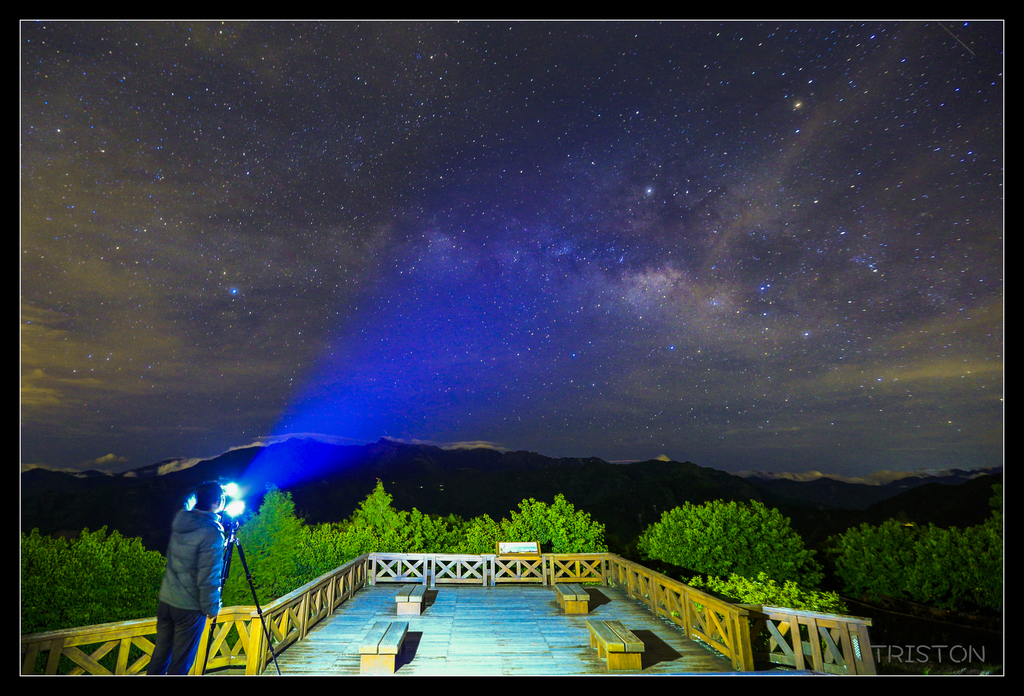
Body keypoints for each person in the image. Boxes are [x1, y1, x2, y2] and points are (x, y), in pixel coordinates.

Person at [147, 481, 226, 675]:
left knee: (160, 656)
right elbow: (209, 576)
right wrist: (212, 607)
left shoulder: (180, 518)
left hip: (167, 600)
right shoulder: (212, 533)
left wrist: (197, 492)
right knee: (180, 663)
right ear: (217, 502)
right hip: (189, 607)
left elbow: (184, 502)